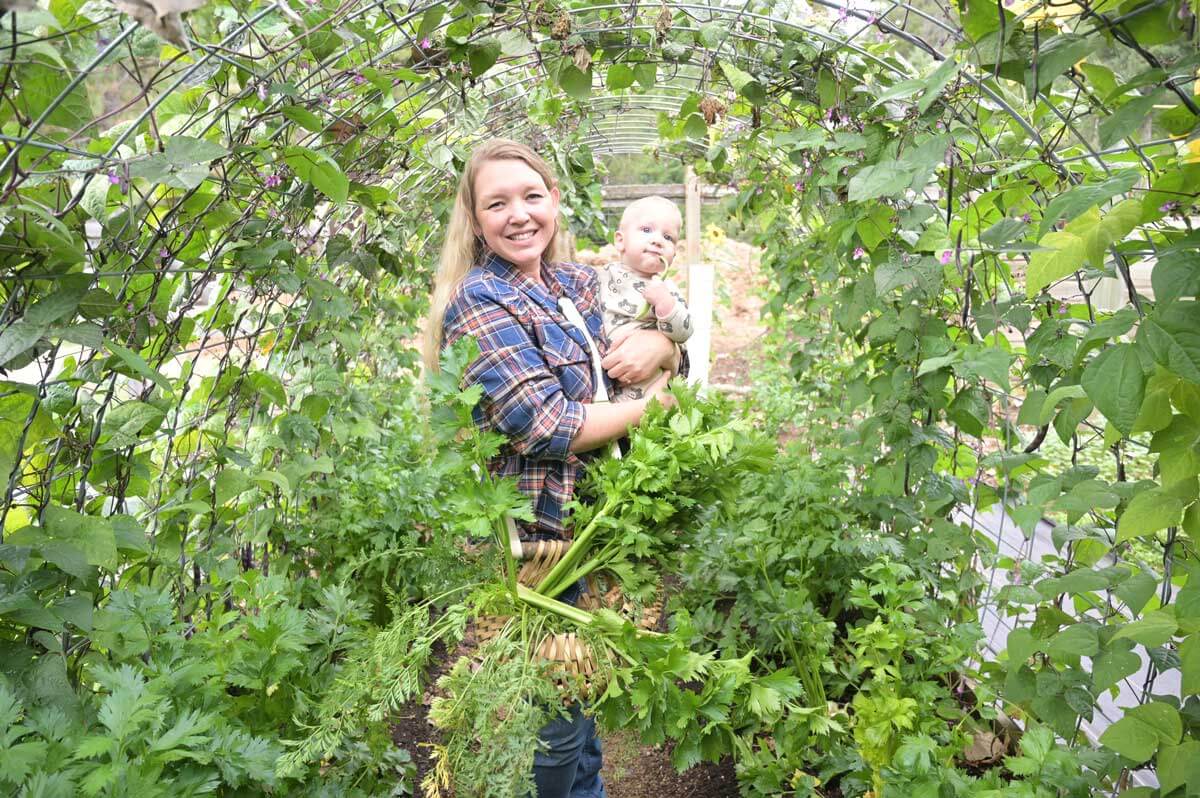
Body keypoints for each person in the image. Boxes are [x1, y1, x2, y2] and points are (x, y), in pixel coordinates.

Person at [422, 139, 681, 798]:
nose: (518, 215)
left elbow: (668, 341)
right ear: (476, 221)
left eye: (531, 196)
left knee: (582, 691)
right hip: (538, 547)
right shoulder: (479, 303)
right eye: (497, 204)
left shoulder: (574, 283)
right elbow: (547, 425)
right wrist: (653, 402)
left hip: (595, 528)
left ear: (555, 201)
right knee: (557, 715)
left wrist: (663, 343)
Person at [599, 196, 693, 401]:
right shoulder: (601, 276)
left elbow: (684, 332)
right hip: (608, 383)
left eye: (668, 238)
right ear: (620, 240)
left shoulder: (665, 288)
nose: (658, 240)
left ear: (674, 254)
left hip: (649, 387)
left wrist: (664, 304)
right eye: (647, 230)